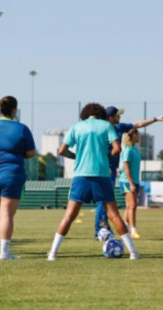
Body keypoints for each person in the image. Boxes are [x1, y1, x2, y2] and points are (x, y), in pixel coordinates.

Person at [47, 103, 141, 261]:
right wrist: (106, 157)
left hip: (81, 176)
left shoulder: (77, 127)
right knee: (114, 215)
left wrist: (76, 157)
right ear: (101, 115)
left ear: (85, 115)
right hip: (102, 175)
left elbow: (62, 150)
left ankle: (53, 253)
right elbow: (117, 149)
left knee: (69, 215)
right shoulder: (106, 126)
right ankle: (133, 252)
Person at [94, 106, 163, 238]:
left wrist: (155, 119)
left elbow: (138, 124)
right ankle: (100, 227)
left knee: (107, 198)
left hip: (110, 170)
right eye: (118, 115)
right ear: (111, 118)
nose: (120, 117)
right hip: (103, 169)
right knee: (104, 199)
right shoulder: (102, 130)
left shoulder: (118, 128)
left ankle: (104, 226)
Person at [0, 96, 36, 260]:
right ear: (14, 110)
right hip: (11, 174)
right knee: (6, 215)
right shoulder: (21, 128)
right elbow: (31, 152)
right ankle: (4, 252)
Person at [119, 129, 142, 238]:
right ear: (133, 135)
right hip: (126, 181)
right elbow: (126, 168)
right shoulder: (127, 150)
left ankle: (124, 229)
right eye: (138, 135)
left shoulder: (134, 149)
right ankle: (133, 231)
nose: (139, 137)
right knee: (132, 205)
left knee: (130, 206)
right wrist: (131, 183)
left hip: (134, 181)